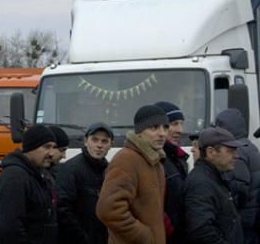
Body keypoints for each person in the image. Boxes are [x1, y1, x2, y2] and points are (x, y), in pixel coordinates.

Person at [96, 105, 167, 244]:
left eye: (165, 127)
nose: (162, 133)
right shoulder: (126, 160)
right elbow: (108, 210)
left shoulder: (155, 161)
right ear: (139, 132)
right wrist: (144, 236)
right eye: (154, 127)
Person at [0, 125, 59, 243]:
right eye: (46, 147)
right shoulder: (14, 177)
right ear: (30, 148)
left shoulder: (40, 174)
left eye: (53, 147)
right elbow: (10, 229)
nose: (51, 153)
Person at [183, 127, 244, 244]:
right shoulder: (200, 183)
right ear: (210, 152)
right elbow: (201, 231)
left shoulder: (214, 177)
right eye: (230, 151)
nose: (236, 156)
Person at [56, 122, 113, 244]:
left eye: (104, 141)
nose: (99, 145)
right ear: (86, 141)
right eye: (95, 140)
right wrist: (82, 238)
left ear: (110, 145)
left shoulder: (110, 171)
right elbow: (63, 209)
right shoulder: (71, 169)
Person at [215, 108, 260, 244]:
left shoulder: (237, 152)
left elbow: (238, 188)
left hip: (244, 221)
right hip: (253, 218)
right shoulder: (250, 147)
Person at [155, 101, 190, 244]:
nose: (180, 130)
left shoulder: (179, 158)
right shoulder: (154, 159)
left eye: (181, 123)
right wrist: (166, 227)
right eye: (174, 124)